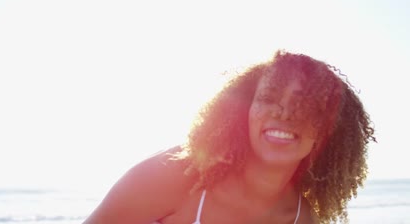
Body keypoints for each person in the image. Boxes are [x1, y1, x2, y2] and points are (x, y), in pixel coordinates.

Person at [83, 50, 376, 224]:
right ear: (246, 110)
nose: (285, 114)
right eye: (269, 98)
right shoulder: (175, 175)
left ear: (327, 130)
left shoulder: (302, 218)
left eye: (305, 106)